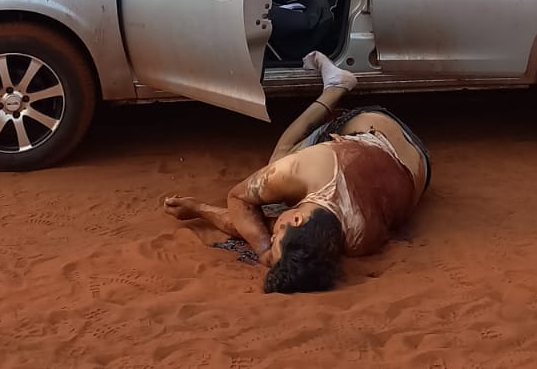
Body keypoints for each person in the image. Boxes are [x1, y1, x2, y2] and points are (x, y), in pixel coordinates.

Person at [161, 52, 431, 293]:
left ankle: (337, 88)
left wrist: (200, 209)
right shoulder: (309, 173)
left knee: (279, 173)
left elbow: (247, 223)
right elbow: (238, 199)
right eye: (277, 234)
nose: (273, 232)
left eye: (275, 236)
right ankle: (336, 87)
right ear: (299, 220)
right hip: (376, 126)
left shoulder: (352, 243)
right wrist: (265, 249)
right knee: (281, 160)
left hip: (419, 161)